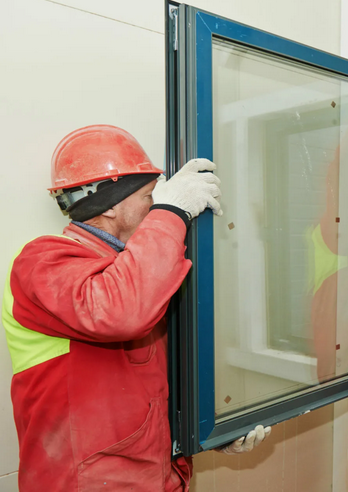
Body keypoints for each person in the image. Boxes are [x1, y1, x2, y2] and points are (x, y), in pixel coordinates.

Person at [2, 125, 268, 492]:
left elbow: (150, 387)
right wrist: (171, 211)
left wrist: (205, 430)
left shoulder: (139, 270)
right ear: (110, 204)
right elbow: (118, 313)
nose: (154, 204)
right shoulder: (41, 261)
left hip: (154, 474)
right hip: (86, 483)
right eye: (148, 196)